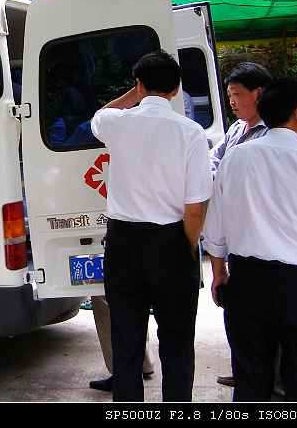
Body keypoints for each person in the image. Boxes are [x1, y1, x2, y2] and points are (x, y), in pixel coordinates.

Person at [90, 51, 212, 402]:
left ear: (139, 84)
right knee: (177, 341)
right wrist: (186, 246)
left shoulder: (118, 123)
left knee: (126, 339)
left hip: (124, 244)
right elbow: (195, 207)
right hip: (173, 240)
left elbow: (99, 116)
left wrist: (135, 94)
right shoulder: (191, 132)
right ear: (176, 90)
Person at [203, 78, 297, 401]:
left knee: (251, 376)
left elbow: (215, 228)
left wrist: (219, 273)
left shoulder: (236, 158)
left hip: (248, 282)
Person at [208, 62, 272, 388]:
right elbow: (213, 162)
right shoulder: (236, 129)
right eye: (229, 94)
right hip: (235, 237)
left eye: (236, 94)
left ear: (258, 93)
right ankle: (244, 372)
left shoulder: (272, 132)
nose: (231, 101)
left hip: (262, 238)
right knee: (240, 316)